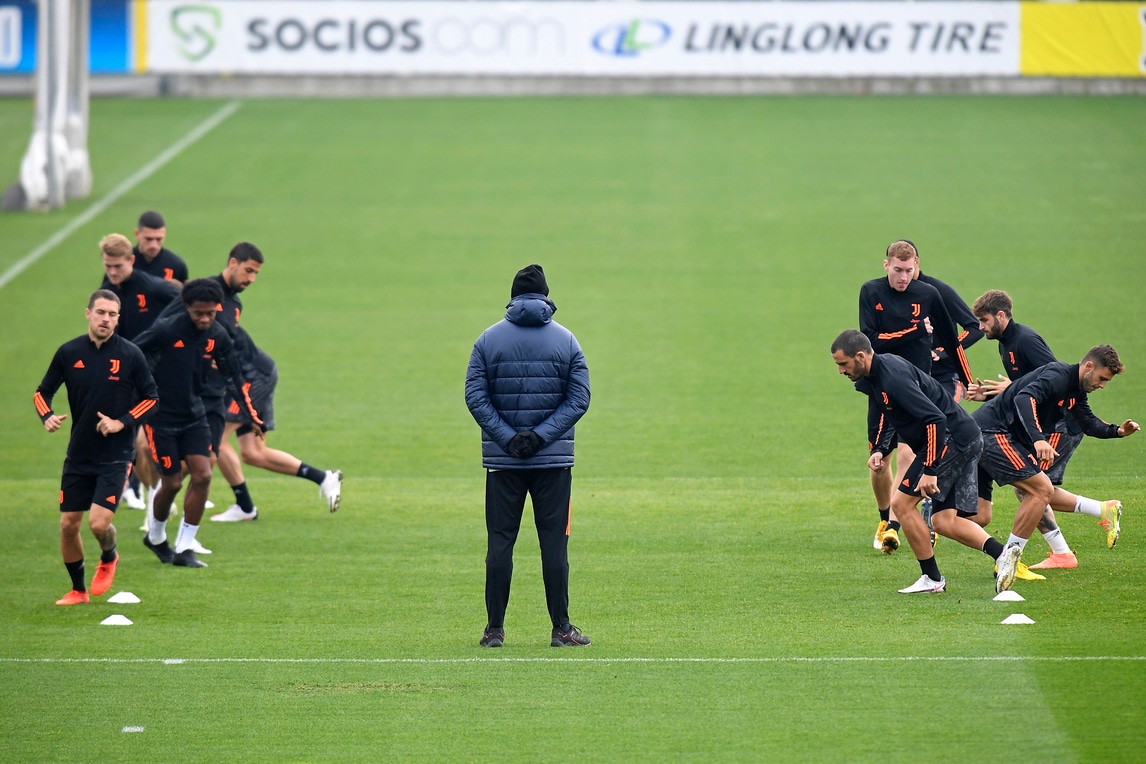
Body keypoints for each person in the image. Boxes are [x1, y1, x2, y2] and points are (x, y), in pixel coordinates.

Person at [465, 264, 591, 648]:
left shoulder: (487, 340)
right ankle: (561, 629)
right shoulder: (567, 341)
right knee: (554, 546)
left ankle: (494, 630)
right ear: (546, 297)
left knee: (499, 544)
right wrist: (540, 438)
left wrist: (509, 440)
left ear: (513, 298)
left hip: (503, 464)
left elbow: (475, 397)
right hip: (553, 463)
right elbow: (579, 399)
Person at [832, 329, 1007, 594]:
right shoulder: (876, 375)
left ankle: (932, 579)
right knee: (943, 521)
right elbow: (889, 412)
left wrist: (930, 470)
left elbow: (935, 419)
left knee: (901, 504)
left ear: (860, 356)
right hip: (961, 437)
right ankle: (1003, 554)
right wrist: (880, 448)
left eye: (843, 364)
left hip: (952, 439)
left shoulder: (893, 378)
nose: (840, 371)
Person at [973, 345, 1139, 593]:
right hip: (990, 434)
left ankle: (929, 519)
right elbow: (1024, 398)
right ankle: (1008, 559)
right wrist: (1039, 440)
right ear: (1089, 366)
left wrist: (1117, 431)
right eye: (1102, 378)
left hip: (993, 435)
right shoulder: (1058, 375)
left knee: (978, 515)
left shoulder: (1076, 392)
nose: (1103, 385)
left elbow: (1088, 423)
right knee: (1041, 489)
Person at [967, 290, 1112, 570]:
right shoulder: (1005, 344)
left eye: (984, 320)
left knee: (1034, 488)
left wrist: (1038, 437)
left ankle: (1056, 548)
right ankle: (1070, 544)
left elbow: (1051, 381)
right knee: (1031, 488)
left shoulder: (1025, 340)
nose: (980, 327)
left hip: (1060, 424)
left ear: (1000, 316)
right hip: (1036, 422)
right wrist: (991, 395)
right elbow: (1024, 390)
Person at [34, 290, 158, 604]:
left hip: (116, 455)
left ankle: (109, 555)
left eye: (112, 314)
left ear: (118, 318)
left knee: (98, 523)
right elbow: (42, 392)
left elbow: (151, 399)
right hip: (79, 454)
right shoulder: (69, 352)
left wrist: (121, 422)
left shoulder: (130, 355)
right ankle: (78, 591)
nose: (106, 319)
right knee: (68, 525)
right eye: (101, 312)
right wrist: (47, 416)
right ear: (88, 313)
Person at [204, 243, 343, 522]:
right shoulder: (207, 292)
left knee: (213, 439)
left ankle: (244, 506)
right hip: (249, 374)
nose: (252, 279)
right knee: (253, 453)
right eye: (249, 271)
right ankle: (324, 478)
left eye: (255, 273)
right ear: (233, 262)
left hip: (253, 375)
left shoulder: (232, 303)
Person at [131, 278, 263, 568]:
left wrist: (252, 416)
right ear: (186, 307)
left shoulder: (217, 335)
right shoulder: (166, 330)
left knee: (203, 474)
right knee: (172, 482)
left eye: (210, 313)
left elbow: (234, 377)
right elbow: (131, 353)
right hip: (162, 417)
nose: (205, 319)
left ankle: (185, 547)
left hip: (195, 415)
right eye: (198, 313)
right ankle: (155, 537)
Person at [858, 240, 971, 554]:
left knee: (909, 456)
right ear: (886, 265)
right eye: (897, 270)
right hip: (880, 386)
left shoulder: (929, 294)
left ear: (916, 266)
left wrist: (967, 380)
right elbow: (870, 342)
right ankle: (885, 517)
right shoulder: (870, 292)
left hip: (915, 390)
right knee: (879, 462)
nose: (903, 277)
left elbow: (952, 341)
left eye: (908, 271)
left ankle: (894, 526)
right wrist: (915, 331)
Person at [97, 232, 180, 511]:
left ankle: (159, 496)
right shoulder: (106, 292)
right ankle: (152, 494)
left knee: (146, 444)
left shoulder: (154, 287)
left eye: (118, 266)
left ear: (131, 260)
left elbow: (187, 301)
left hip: (158, 376)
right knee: (128, 443)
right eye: (108, 266)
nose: (112, 272)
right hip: (124, 377)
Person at [132, 210, 188, 284]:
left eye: (159, 239)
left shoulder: (176, 265)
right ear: (137, 234)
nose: (153, 245)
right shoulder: (125, 263)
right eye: (148, 239)